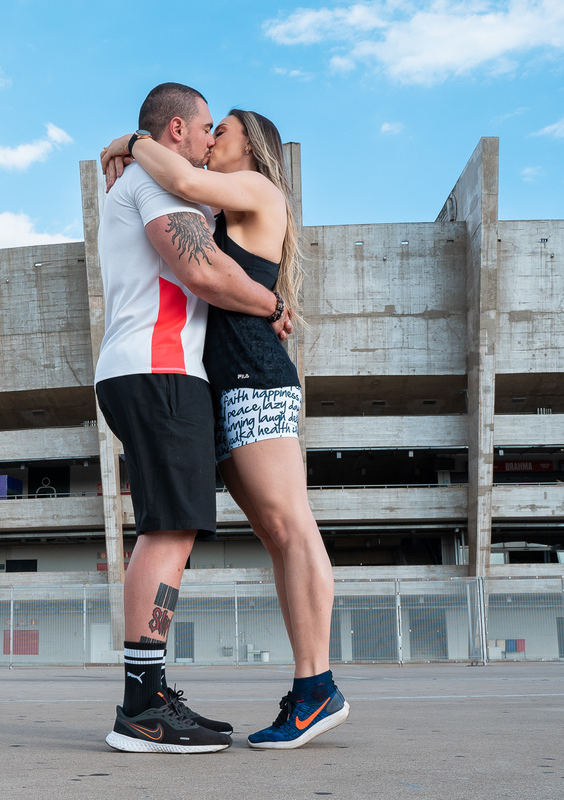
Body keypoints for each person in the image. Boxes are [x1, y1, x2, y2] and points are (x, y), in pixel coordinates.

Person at [100, 107, 348, 749]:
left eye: (225, 131)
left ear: (252, 148)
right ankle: (309, 688)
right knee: (275, 531)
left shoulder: (258, 190)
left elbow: (182, 184)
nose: (213, 140)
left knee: (291, 526)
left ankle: (316, 687)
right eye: (208, 128)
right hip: (220, 382)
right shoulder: (219, 207)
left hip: (254, 379)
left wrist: (132, 142)